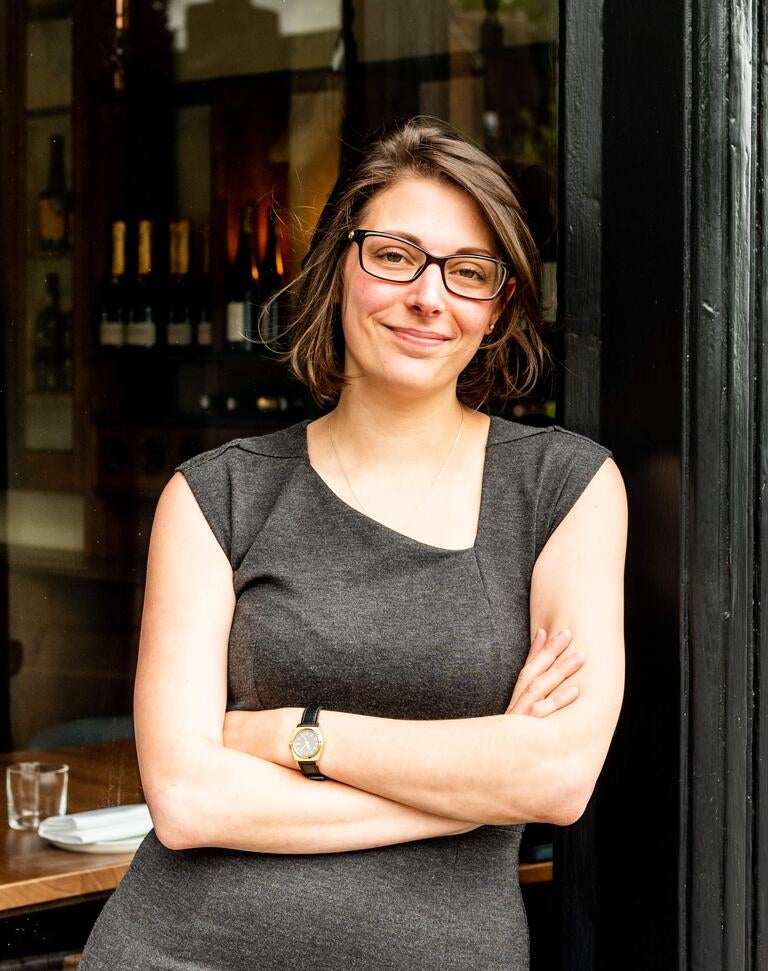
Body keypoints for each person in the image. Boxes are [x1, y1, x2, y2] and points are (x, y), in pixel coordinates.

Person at [80, 117, 626, 970]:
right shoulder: (217, 496)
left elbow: (555, 778)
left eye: (468, 271)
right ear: (339, 265)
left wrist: (298, 734)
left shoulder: (564, 488)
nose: (429, 296)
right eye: (396, 255)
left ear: (498, 305)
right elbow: (186, 800)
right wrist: (476, 790)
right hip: (183, 949)